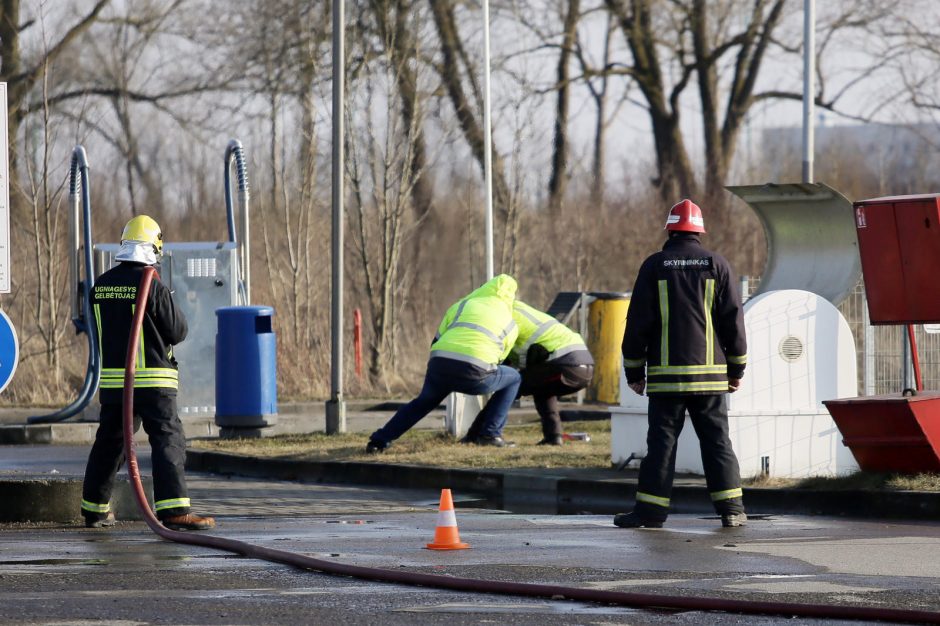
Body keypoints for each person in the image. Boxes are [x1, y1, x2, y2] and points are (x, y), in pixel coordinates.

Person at [615, 199, 748, 529]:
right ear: (699, 231)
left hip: (665, 379)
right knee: (717, 442)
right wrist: (736, 369)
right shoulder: (717, 265)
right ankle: (732, 510)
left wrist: (634, 370)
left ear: (671, 229)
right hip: (710, 378)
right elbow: (733, 320)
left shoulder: (654, 266)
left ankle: (650, 513)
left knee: (661, 445)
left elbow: (637, 323)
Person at [81, 215, 215, 531]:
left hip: (115, 384)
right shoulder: (150, 284)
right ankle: (174, 510)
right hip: (154, 382)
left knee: (109, 444)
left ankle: (94, 508)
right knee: (168, 440)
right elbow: (178, 330)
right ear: (153, 247)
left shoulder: (101, 285)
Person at [367, 274, 521, 452]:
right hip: (475, 371)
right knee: (514, 378)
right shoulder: (510, 322)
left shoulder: (461, 305)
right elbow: (500, 358)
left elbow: (437, 339)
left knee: (422, 403)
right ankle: (490, 434)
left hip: (440, 363)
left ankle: (378, 441)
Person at [467, 299, 593, 445]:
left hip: (566, 363)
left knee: (509, 386)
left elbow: (503, 365)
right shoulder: (521, 311)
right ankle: (554, 436)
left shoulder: (502, 319)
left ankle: (483, 434)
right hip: (585, 366)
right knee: (542, 389)